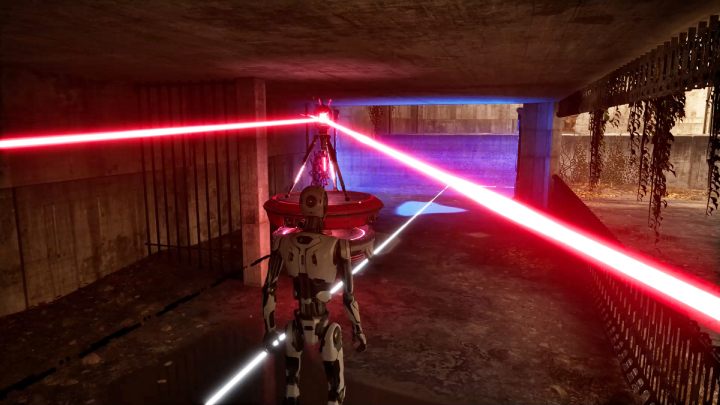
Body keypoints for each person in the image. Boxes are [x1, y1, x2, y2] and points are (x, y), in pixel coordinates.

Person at [262, 185, 367, 405]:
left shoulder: (283, 242)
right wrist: (358, 329)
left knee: (291, 387)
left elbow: (269, 288)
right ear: (325, 208)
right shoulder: (338, 246)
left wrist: (269, 330)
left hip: (297, 325)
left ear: (301, 206)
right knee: (335, 391)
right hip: (324, 325)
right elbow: (349, 295)